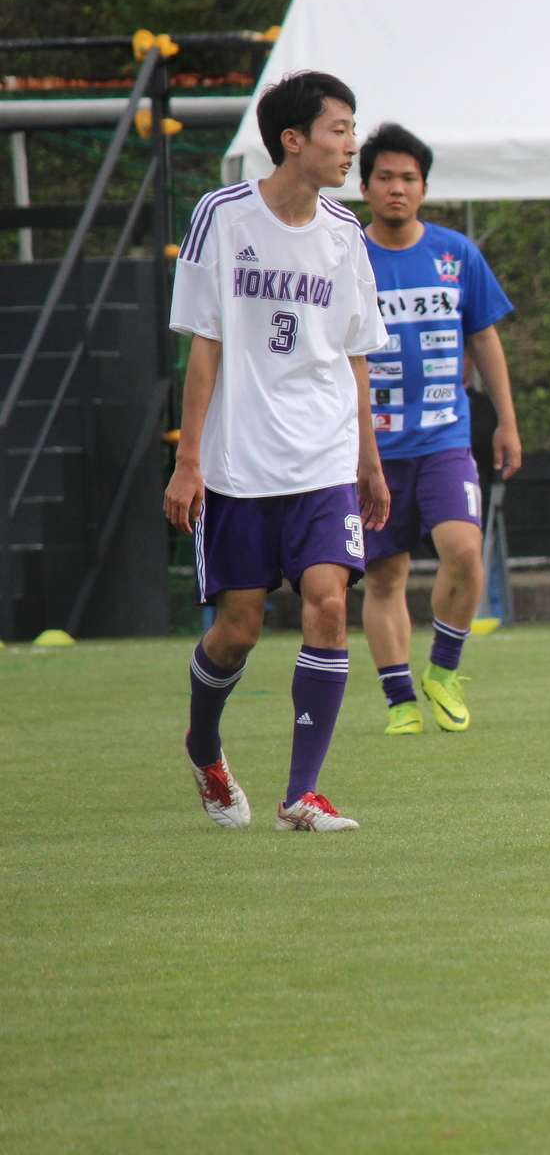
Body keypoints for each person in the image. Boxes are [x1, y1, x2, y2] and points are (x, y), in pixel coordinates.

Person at [164, 71, 390, 831]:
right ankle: (203, 744)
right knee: (239, 630)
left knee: (330, 604)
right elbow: (205, 345)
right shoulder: (220, 217)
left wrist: (368, 458)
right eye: (339, 130)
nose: (350, 144)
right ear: (293, 140)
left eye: (352, 129)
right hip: (239, 463)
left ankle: (303, 793)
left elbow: (356, 353)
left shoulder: (345, 233)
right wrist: (188, 459)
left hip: (325, 458)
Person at [356, 123, 520, 735]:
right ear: (365, 185)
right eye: (385, 178)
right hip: (369, 447)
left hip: (445, 438)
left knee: (463, 550)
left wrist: (505, 420)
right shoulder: (345, 256)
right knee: (384, 575)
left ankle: (443, 670)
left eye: (409, 178)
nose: (397, 188)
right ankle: (400, 702)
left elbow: (485, 335)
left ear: (424, 187)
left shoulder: (456, 254)